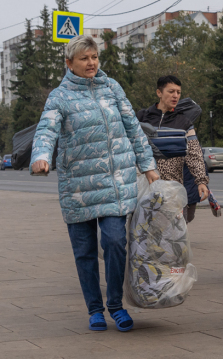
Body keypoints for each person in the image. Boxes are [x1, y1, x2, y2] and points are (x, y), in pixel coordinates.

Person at [30, 35, 158, 332]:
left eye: (94, 57)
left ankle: (115, 304)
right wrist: (41, 156)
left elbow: (133, 129)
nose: (91, 63)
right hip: (77, 187)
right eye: (84, 58)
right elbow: (46, 128)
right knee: (84, 251)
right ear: (69, 63)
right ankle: (95, 310)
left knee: (115, 241)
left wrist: (148, 165)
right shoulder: (59, 96)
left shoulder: (111, 87)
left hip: (114, 182)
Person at [137, 75, 209, 217]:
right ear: (159, 93)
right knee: (142, 232)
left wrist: (201, 181)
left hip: (172, 188)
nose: (175, 96)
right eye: (171, 92)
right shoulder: (141, 117)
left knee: (172, 234)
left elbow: (194, 154)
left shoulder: (184, 123)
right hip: (143, 186)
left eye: (178, 92)